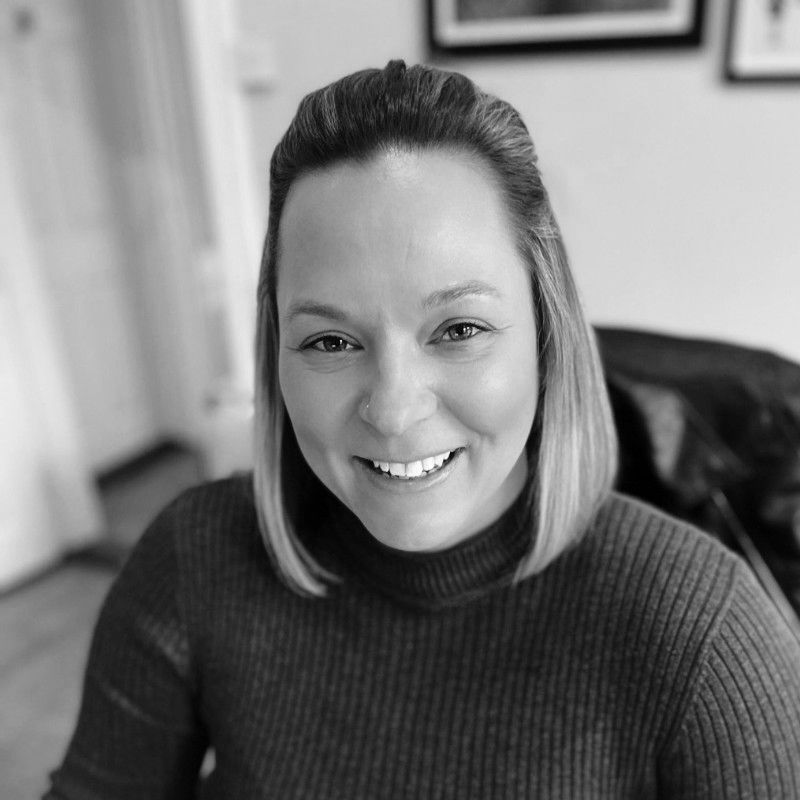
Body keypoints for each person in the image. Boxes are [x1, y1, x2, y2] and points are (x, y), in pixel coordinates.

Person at [45, 61, 800, 799]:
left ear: (545, 338)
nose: (393, 409)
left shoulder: (705, 635)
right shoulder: (194, 561)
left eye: (459, 327)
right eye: (331, 342)